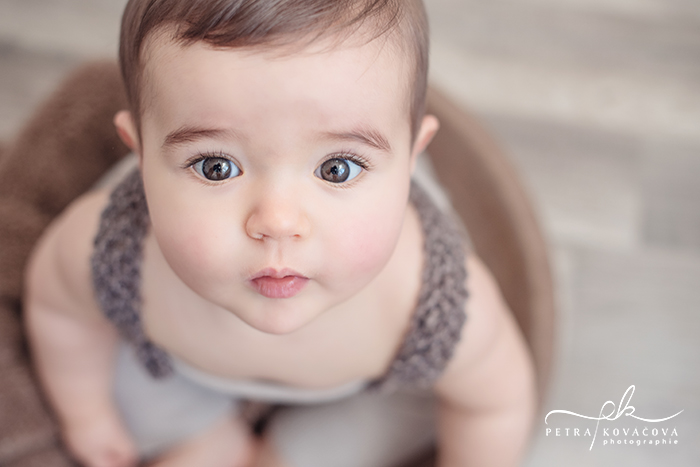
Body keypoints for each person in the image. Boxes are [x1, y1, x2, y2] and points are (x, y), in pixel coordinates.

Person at [23, 1, 535, 466]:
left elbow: (495, 404)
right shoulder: (110, 251)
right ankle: (200, 436)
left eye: (337, 169)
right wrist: (87, 417)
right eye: (216, 167)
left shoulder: (429, 302)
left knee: (415, 412)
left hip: (363, 389)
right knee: (111, 371)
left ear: (411, 156)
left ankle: (295, 452)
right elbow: (58, 314)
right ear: (138, 152)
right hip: (176, 370)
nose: (278, 223)